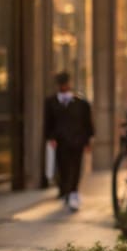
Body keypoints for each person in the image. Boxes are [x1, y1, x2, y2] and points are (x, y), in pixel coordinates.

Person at [43, 72, 94, 212]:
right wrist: (50, 138)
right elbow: (48, 122)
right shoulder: (51, 102)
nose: (64, 86)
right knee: (63, 167)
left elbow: (87, 123)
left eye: (65, 83)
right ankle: (65, 190)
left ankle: (73, 192)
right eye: (61, 84)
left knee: (77, 166)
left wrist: (88, 141)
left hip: (77, 140)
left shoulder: (81, 103)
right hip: (61, 142)